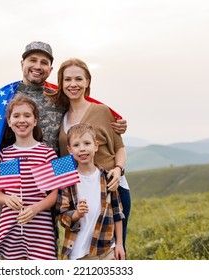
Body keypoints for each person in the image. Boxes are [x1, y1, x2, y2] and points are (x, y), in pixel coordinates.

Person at [0, 41, 128, 258]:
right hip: (15, 193)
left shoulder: (58, 100)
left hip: (85, 186)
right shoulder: (3, 99)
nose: (37, 66)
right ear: (22, 63)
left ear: (50, 69)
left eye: (44, 62)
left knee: (100, 245)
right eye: (32, 60)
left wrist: (119, 127)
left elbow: (92, 112)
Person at [53, 58, 131, 257]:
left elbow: (120, 148)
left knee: (110, 250)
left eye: (79, 79)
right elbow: (65, 160)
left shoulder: (102, 111)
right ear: (61, 83)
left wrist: (118, 169)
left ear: (87, 82)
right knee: (81, 249)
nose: (73, 84)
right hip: (81, 193)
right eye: (67, 79)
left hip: (111, 188)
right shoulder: (61, 117)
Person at [0, 94, 59, 260]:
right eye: (16, 116)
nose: (22, 120)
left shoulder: (47, 153)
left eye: (27, 116)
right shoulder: (5, 155)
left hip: (40, 226)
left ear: (35, 121)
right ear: (9, 122)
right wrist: (6, 199)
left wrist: (36, 208)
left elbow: (54, 194)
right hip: (11, 227)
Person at [56, 123, 125, 260]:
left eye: (87, 143)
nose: (82, 149)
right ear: (70, 150)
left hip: (106, 249)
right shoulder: (67, 182)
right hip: (78, 253)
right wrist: (76, 214)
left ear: (96, 146)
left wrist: (119, 244)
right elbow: (61, 216)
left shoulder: (108, 178)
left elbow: (118, 213)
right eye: (76, 145)